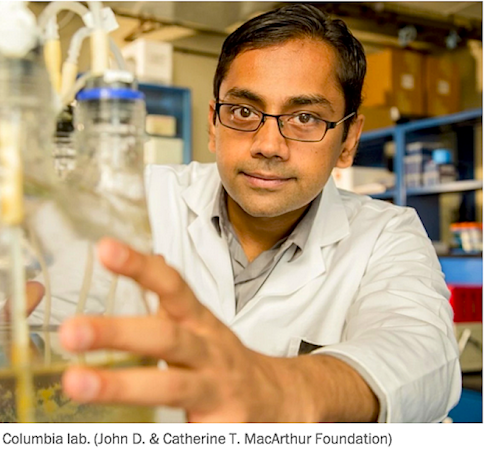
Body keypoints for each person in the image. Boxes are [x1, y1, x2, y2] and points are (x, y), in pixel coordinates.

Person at [57, 4, 460, 422]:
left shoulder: (386, 235)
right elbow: (51, 319)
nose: (268, 145)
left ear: (348, 141)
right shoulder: (136, 198)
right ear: (214, 124)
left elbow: (423, 354)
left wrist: (284, 389)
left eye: (305, 117)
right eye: (244, 112)